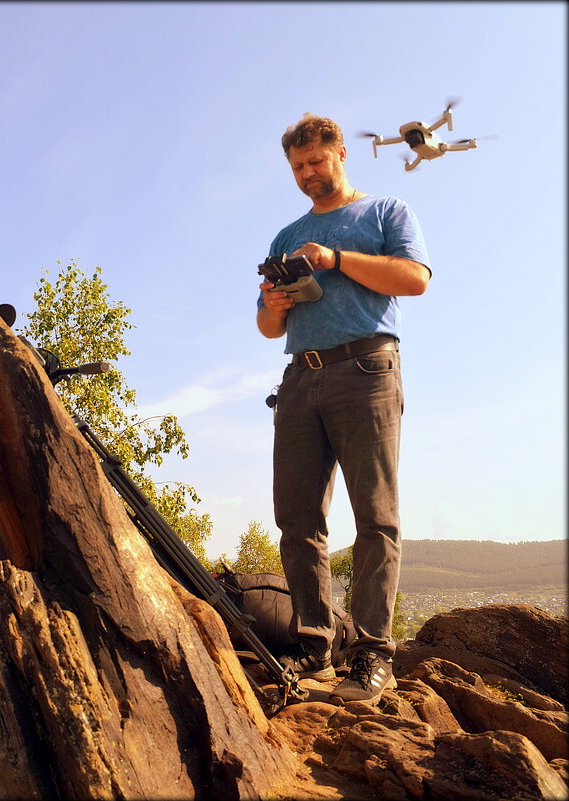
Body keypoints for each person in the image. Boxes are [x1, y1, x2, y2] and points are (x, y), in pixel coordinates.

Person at [256, 113, 432, 705]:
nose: (307, 174)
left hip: (368, 369)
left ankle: (373, 658)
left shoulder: (386, 211)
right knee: (297, 519)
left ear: (340, 155)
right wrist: (274, 303)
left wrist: (334, 259)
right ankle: (314, 650)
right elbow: (264, 327)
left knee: (375, 516)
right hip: (300, 379)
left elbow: (414, 280)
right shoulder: (285, 235)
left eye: (316, 162)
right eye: (297, 168)